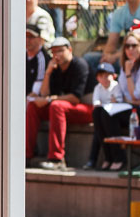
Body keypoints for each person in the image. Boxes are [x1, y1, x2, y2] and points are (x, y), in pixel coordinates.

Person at [92, 33, 140, 171]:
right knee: (98, 112)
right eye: (127, 46)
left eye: (134, 45)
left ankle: (120, 158)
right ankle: (109, 157)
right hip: (134, 107)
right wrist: (128, 75)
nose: (130, 49)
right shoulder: (126, 65)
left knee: (108, 114)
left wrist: (128, 74)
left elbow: (135, 95)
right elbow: (127, 96)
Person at [0, 23, 50, 165]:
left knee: (16, 108)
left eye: (31, 37)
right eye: (25, 36)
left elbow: (37, 92)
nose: (28, 40)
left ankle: (17, 150)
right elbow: (4, 78)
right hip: (17, 99)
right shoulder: (19, 54)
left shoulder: (43, 58)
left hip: (33, 99)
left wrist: (17, 101)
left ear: (40, 40)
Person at [25, 36, 91, 170]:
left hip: (88, 109)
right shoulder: (54, 68)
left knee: (56, 106)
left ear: (70, 50)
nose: (57, 55)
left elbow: (75, 98)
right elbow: (44, 94)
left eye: (60, 51)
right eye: (53, 52)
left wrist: (50, 99)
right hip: (63, 108)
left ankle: (56, 158)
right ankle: (26, 155)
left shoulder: (80, 65)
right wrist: (48, 72)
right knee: (33, 106)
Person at [85, 62, 124, 170]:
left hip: (114, 115)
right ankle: (108, 158)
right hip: (102, 115)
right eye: (101, 76)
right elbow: (96, 103)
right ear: (97, 78)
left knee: (102, 116)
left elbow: (118, 101)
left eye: (107, 75)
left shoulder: (116, 86)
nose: (104, 79)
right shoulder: (98, 88)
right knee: (97, 114)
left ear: (114, 76)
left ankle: (115, 158)